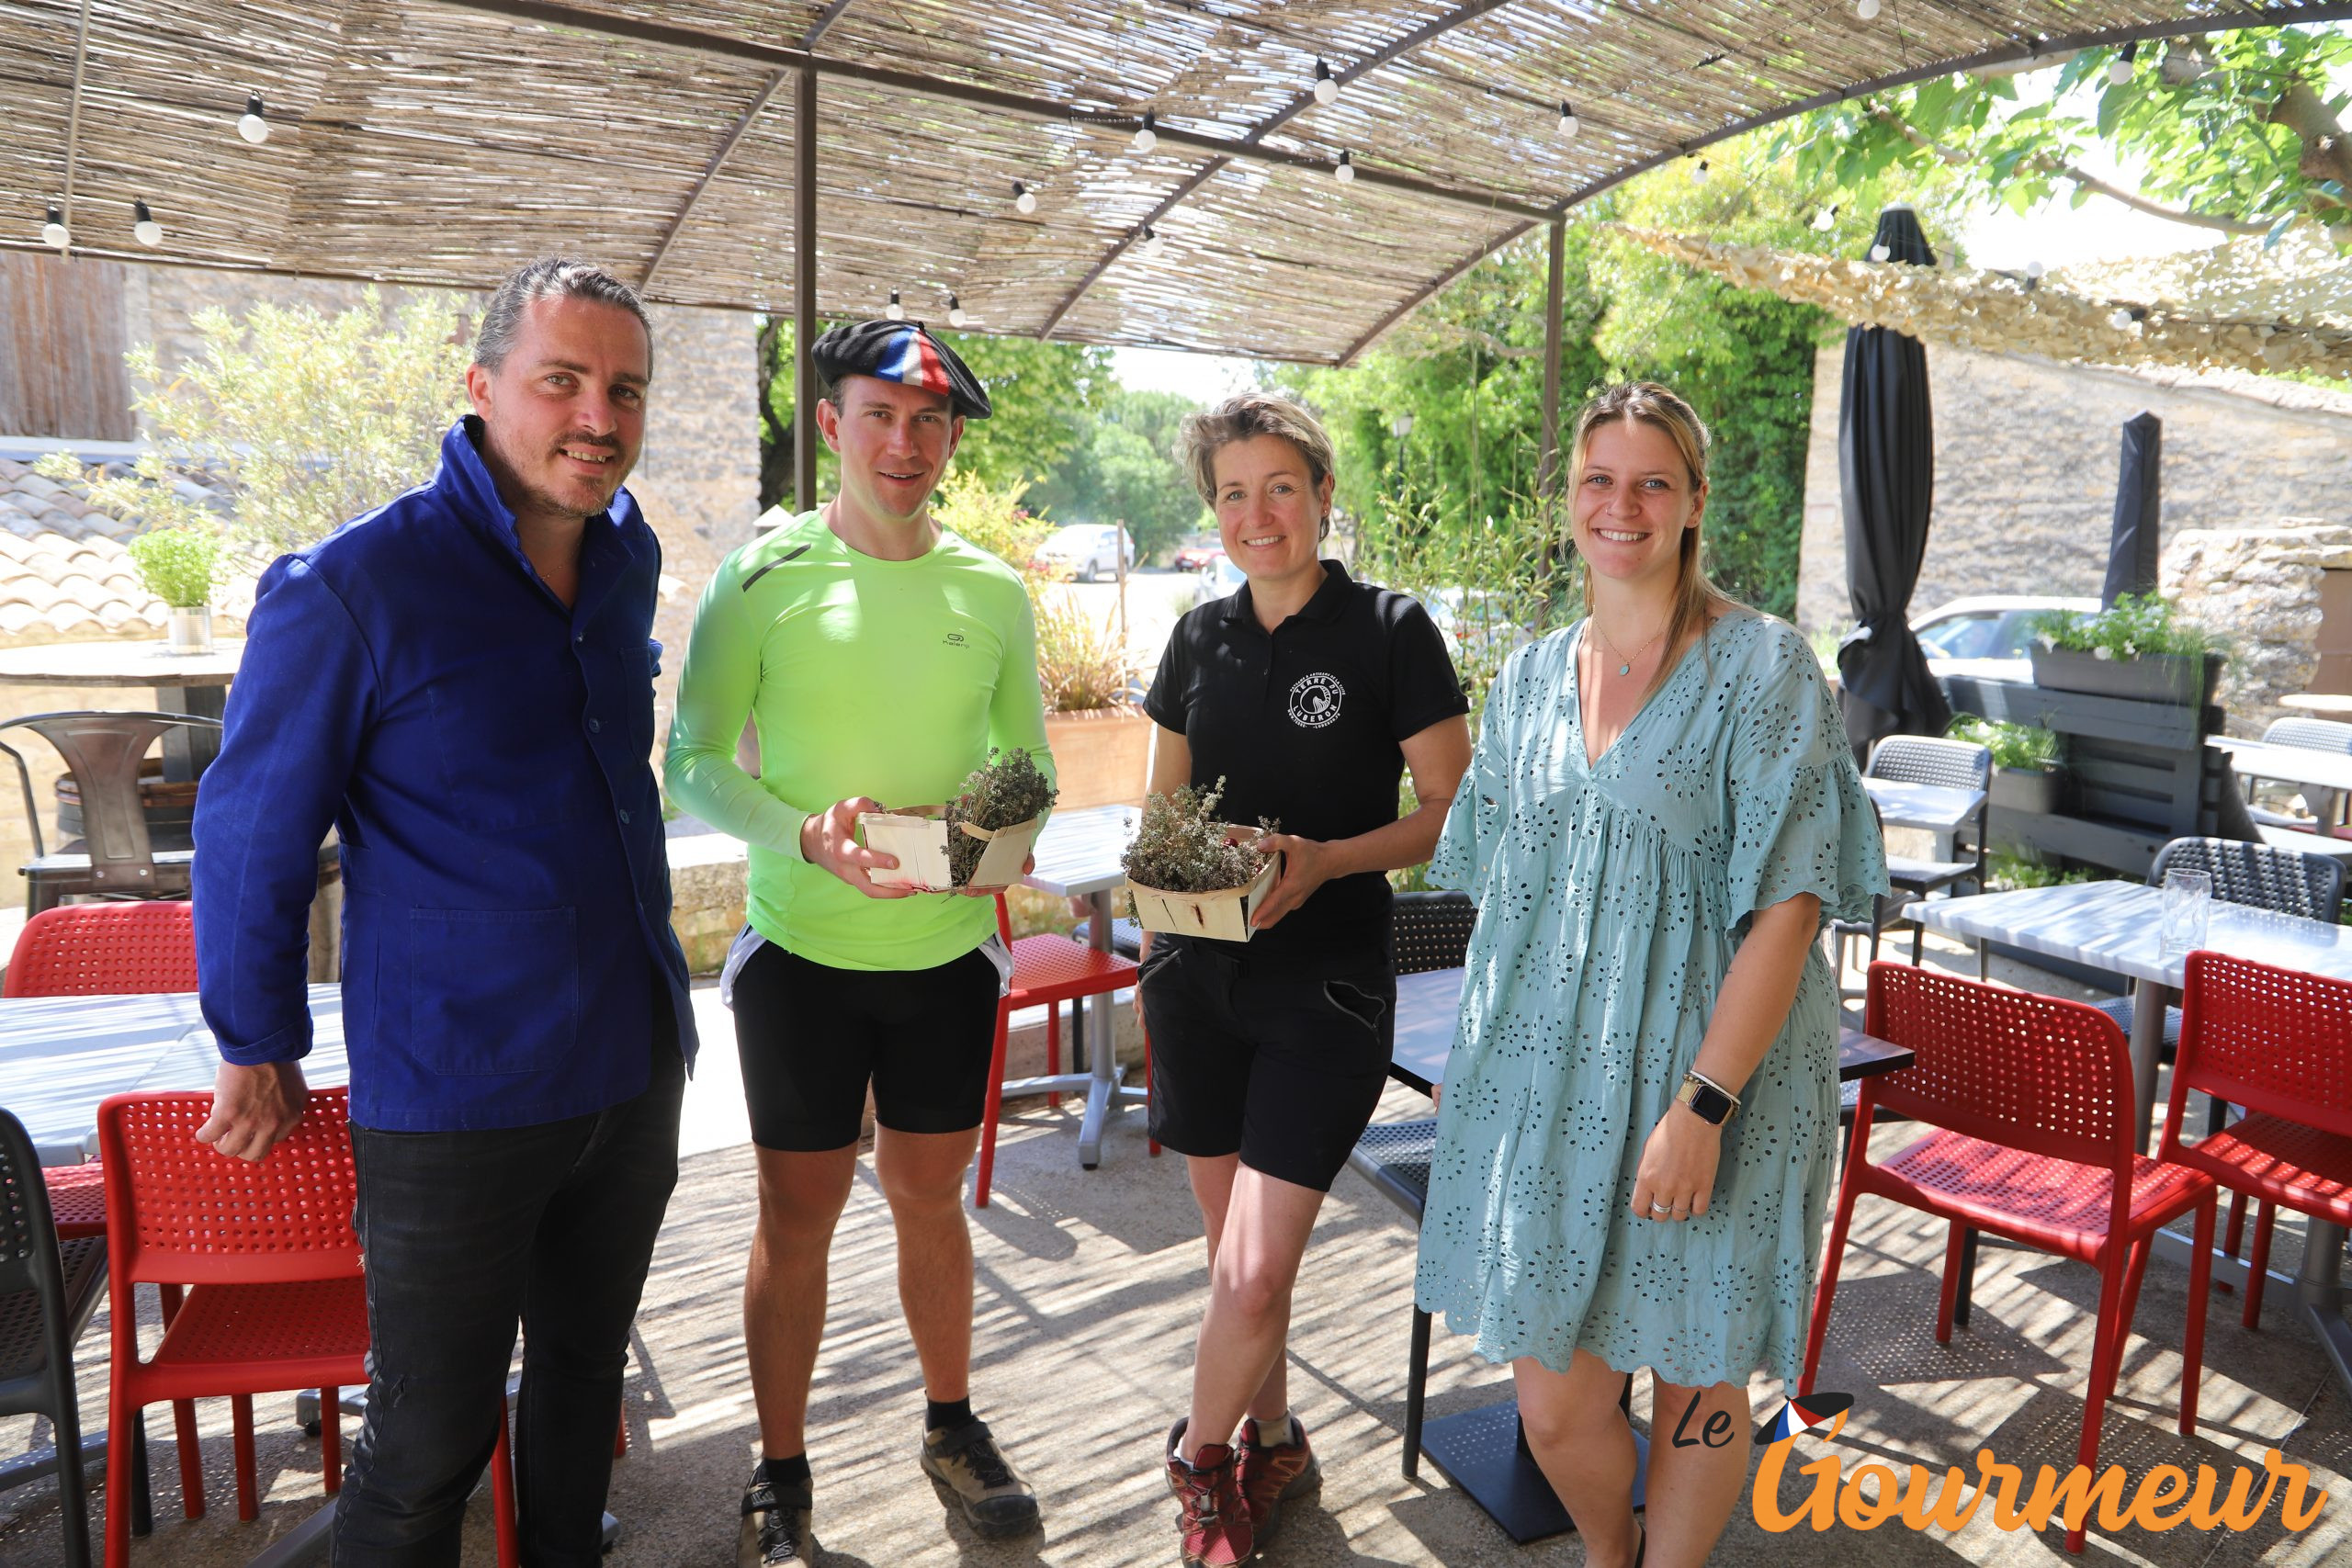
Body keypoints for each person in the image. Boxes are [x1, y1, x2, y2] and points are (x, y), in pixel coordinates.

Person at [189, 257, 698, 1566]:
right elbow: (252, 827)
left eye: (625, 388)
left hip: (631, 1060)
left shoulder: (628, 557)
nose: (599, 415)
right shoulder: (355, 584)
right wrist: (255, 1035)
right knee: (425, 1448)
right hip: (458, 1087)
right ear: (481, 389)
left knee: (586, 1392)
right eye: (563, 381)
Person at [1413, 382, 1888, 1568]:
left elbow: (1791, 904)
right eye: (1598, 480)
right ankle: (1610, 1544)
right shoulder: (1525, 681)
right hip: (1561, 1092)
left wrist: (1705, 1103)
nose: (1621, 505)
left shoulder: (1766, 669)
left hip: (1714, 1090)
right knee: (1556, 1400)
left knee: (1697, 1375)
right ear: (1570, 499)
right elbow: (1502, 887)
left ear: (1691, 504)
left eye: (1651, 482)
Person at [664, 319, 1051, 1564]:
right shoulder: (760, 577)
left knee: (931, 1199)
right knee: (796, 1215)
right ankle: (782, 1470)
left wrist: (1005, 821)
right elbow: (693, 766)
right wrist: (800, 832)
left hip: (946, 960)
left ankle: (951, 1422)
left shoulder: (992, 588)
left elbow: (1027, 754)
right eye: (879, 414)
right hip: (800, 961)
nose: (906, 441)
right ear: (831, 426)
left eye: (930, 421)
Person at [1143, 393, 1471, 1567]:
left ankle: (1193, 1463)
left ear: (1324, 495)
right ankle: (1272, 1440)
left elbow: (1447, 811)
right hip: (1194, 979)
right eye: (1232, 492)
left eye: (1279, 486)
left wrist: (1327, 858)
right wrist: (1180, 875)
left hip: (1322, 988)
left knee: (1256, 1261)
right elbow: (1162, 812)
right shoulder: (1195, 639)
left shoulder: (1389, 631)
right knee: (1236, 1263)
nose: (1256, 513)